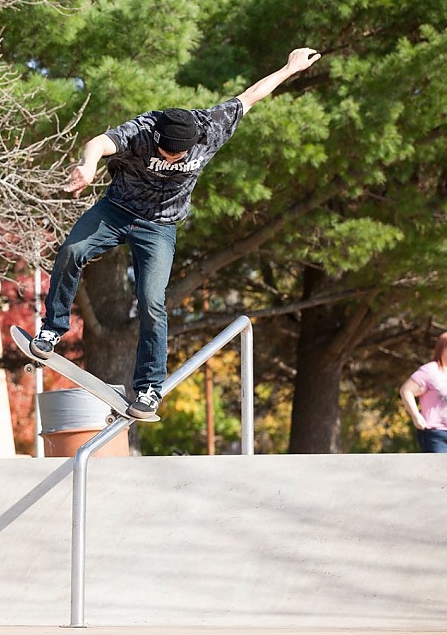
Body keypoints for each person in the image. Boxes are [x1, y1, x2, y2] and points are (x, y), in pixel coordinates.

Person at [29, 48, 323, 419]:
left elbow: (250, 96)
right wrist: (88, 167)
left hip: (160, 226)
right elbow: (100, 143)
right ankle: (53, 329)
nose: (171, 161)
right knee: (72, 251)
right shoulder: (143, 130)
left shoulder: (210, 129)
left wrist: (289, 67)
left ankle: (150, 387)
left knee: (152, 300)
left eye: (177, 157)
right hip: (116, 209)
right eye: (165, 153)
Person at [399, 332, 447, 453]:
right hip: (436, 434)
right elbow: (406, 390)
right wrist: (416, 415)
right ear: (440, 348)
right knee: (440, 470)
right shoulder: (430, 370)